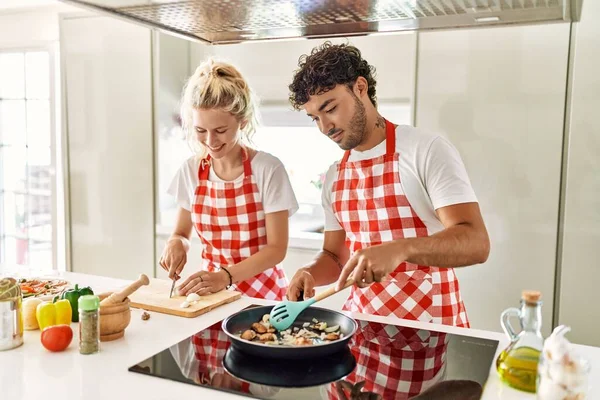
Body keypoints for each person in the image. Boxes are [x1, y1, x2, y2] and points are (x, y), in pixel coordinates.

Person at [287, 42, 490, 398]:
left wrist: (401, 249)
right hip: (361, 339)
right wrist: (309, 274)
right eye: (314, 117)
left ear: (361, 88)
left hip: (429, 340)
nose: (324, 127)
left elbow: (476, 242)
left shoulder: (424, 150)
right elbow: (335, 258)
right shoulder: (335, 176)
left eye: (330, 108)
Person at [160, 59, 298, 300]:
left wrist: (225, 276)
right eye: (201, 131)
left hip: (262, 297)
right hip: (211, 294)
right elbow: (182, 232)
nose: (211, 141)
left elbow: (277, 249)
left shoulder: (267, 169)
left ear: (242, 121)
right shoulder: (191, 170)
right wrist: (176, 243)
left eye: (221, 131)